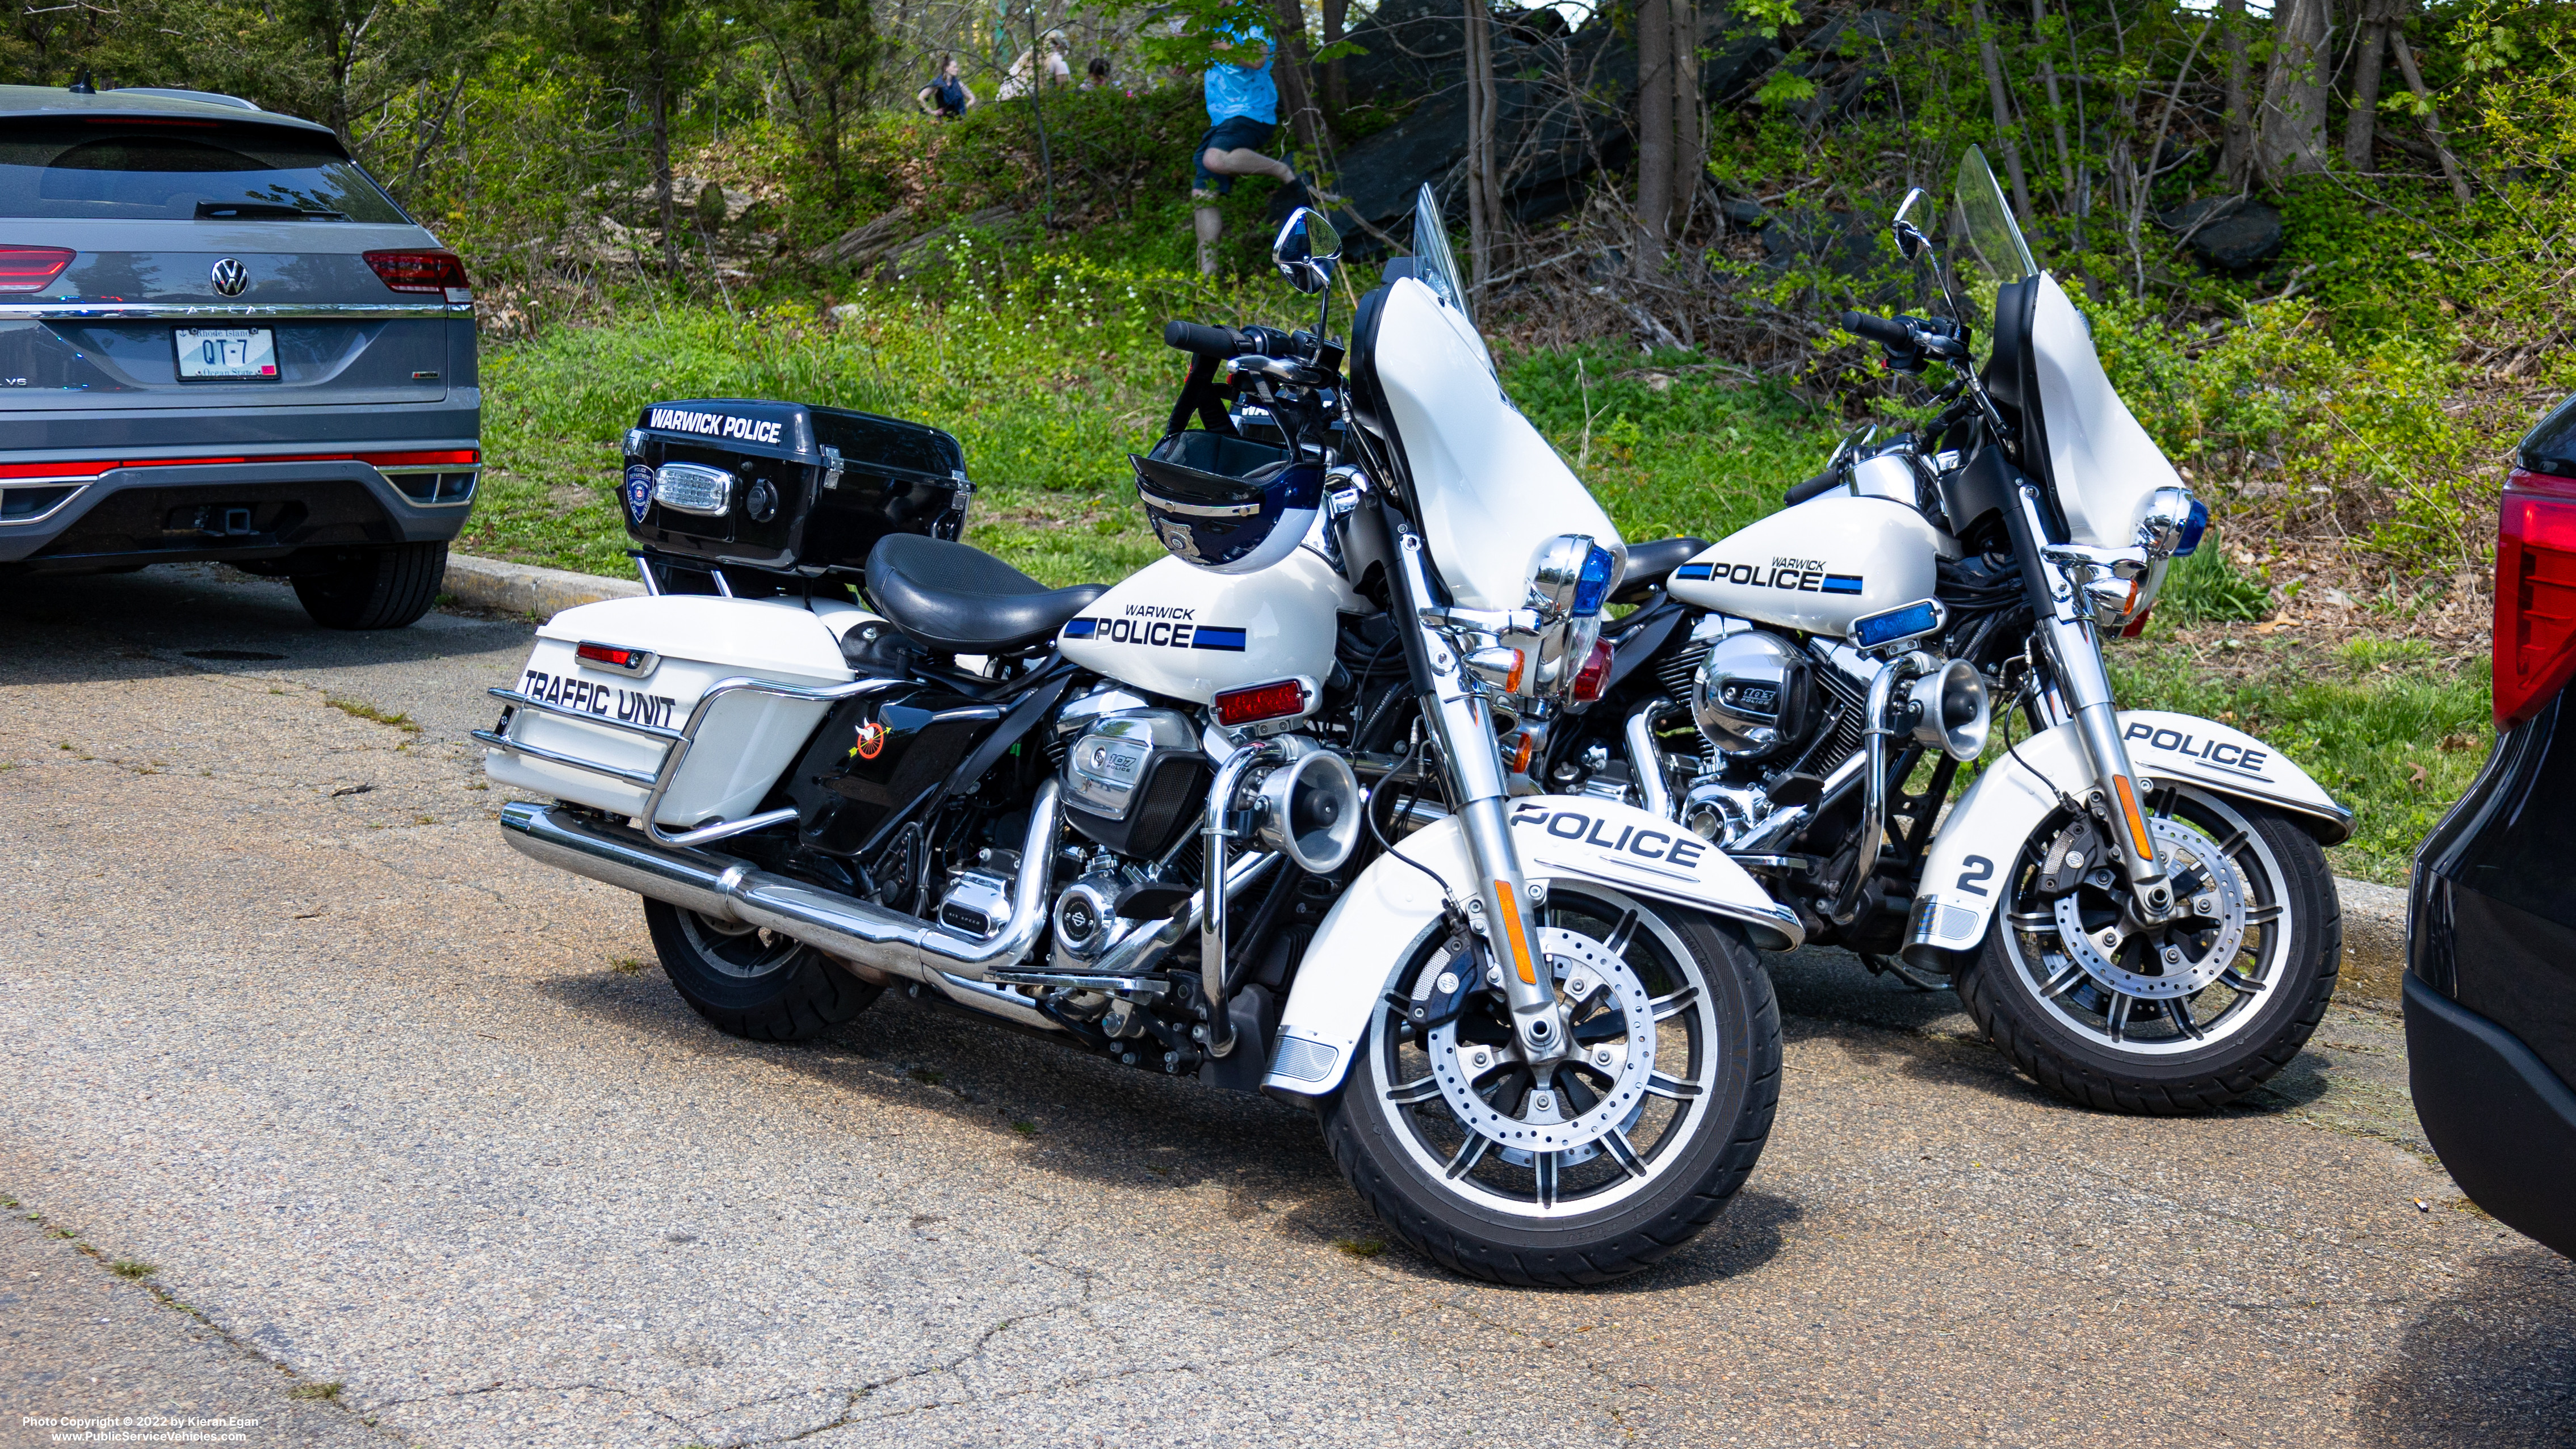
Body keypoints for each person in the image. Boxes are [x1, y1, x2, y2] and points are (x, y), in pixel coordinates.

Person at [1191, 24, 1308, 275]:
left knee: (1214, 159)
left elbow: (1256, 60)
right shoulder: (1216, 22)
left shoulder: (1253, 21)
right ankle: (1208, 275)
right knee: (1202, 195)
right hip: (1221, 120)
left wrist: (1215, 43)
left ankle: (1282, 171)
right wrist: (1186, 56)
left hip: (1251, 111)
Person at [996, 30, 1072, 102]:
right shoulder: (1057, 59)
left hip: (1002, 103)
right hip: (1027, 105)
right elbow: (1066, 91)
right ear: (1058, 46)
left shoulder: (1025, 57)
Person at [916, 54, 975, 119]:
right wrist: (932, 112)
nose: (957, 69)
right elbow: (920, 98)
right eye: (954, 67)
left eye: (957, 67)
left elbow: (972, 98)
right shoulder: (937, 83)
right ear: (946, 68)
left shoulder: (959, 84)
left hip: (959, 124)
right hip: (943, 124)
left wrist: (963, 110)